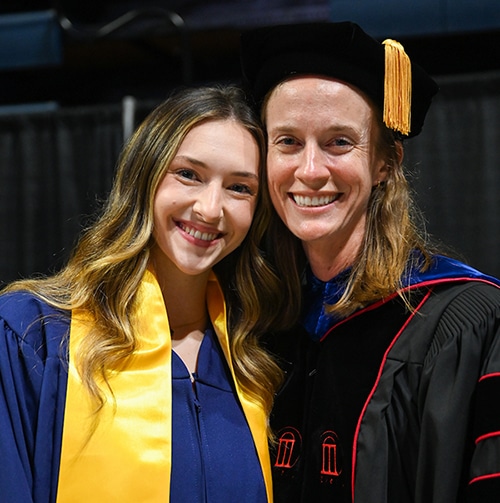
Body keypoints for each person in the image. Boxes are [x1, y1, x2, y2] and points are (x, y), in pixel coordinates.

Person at [240, 21, 500, 503]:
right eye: (288, 142)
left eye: (339, 142)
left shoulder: (469, 321)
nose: (311, 171)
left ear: (385, 163)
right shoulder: (251, 321)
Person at [0, 85, 290, 503]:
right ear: (144, 179)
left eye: (239, 188)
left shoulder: (253, 362)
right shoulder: (34, 337)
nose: (210, 208)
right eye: (188, 174)